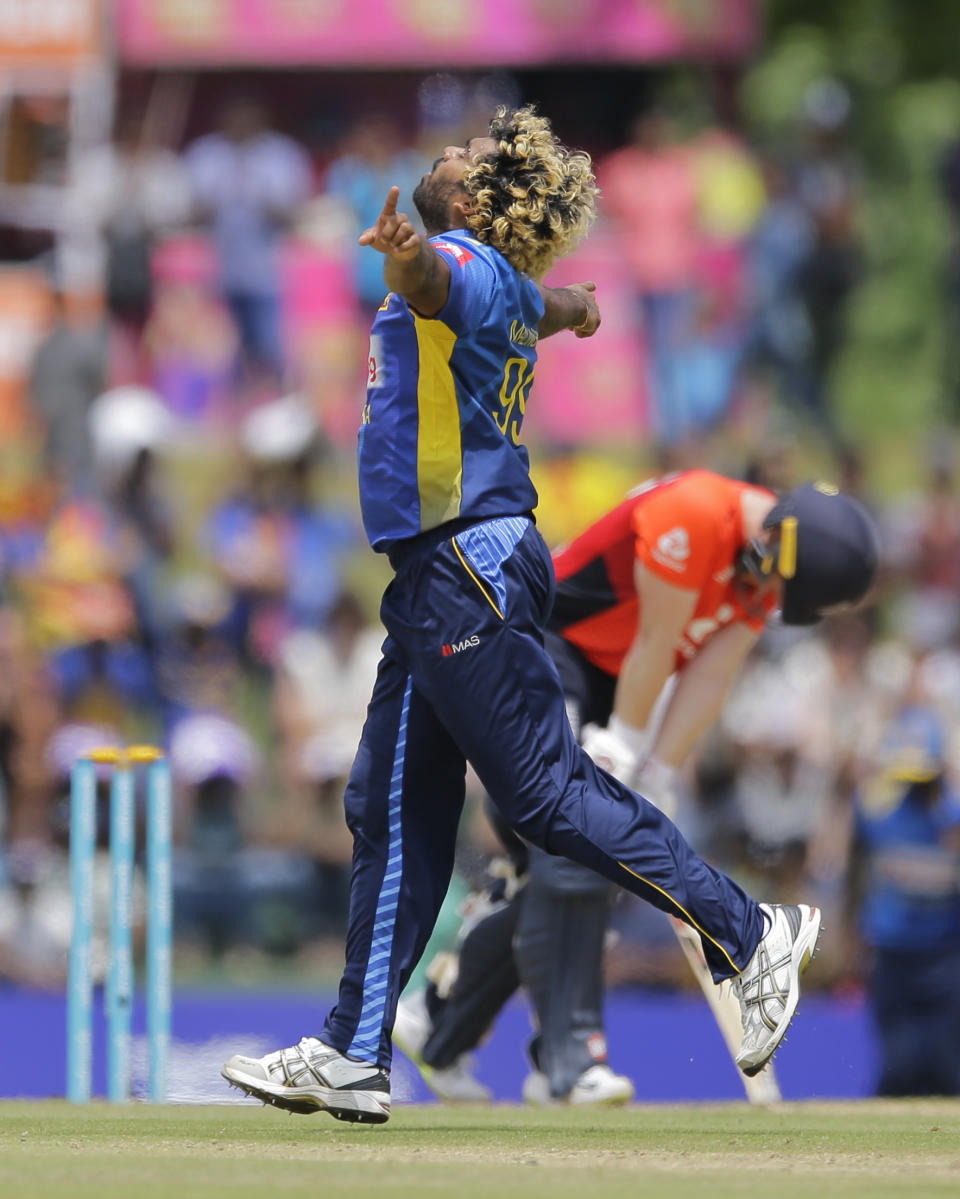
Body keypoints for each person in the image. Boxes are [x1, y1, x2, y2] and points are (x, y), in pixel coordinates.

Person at [221, 105, 824, 1125]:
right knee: (393, 808)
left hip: (466, 560)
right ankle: (354, 1049)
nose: (444, 154)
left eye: (456, 157)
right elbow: (525, 299)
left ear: (464, 204)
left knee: (544, 796)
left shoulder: (455, 261)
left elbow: (437, 283)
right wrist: (578, 304)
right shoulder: (503, 281)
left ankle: (751, 929)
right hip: (437, 573)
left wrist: (411, 260)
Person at [393, 471, 880, 1105]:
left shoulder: (756, 577)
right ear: (779, 543)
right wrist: (623, 745)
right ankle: (566, 1064)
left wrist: (656, 774)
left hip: (610, 677)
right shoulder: (696, 513)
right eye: (782, 581)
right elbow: (655, 640)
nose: (771, 593)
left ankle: (440, 1022)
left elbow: (708, 678)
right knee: (572, 843)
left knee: (578, 855)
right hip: (545, 643)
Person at [849, 704, 960, 1096]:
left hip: (946, 954)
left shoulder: (953, 816)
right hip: (893, 949)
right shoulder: (876, 809)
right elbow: (854, 868)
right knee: (898, 1067)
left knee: (949, 1068)